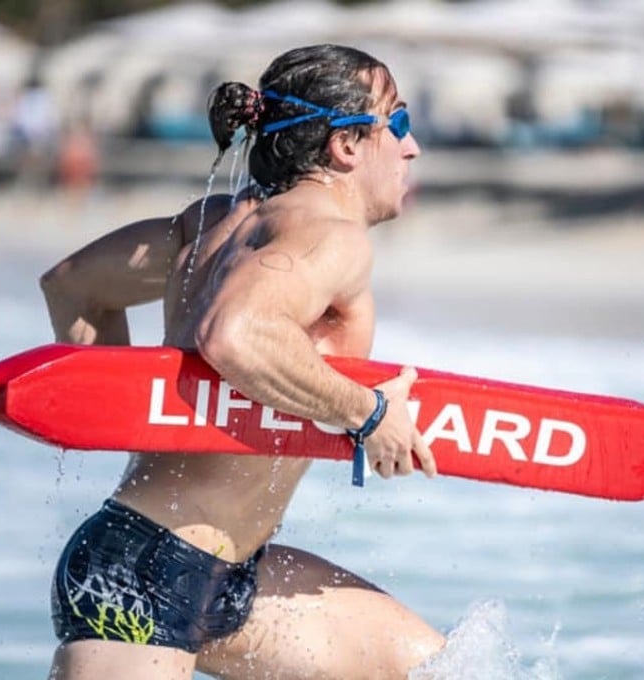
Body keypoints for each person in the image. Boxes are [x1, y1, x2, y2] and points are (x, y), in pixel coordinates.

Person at [40, 44, 444, 679]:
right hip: (142, 582)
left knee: (437, 669)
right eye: (397, 122)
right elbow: (236, 335)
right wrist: (369, 414)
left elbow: (74, 287)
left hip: (224, 576)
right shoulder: (334, 237)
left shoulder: (210, 224)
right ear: (345, 145)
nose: (411, 146)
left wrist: (137, 416)